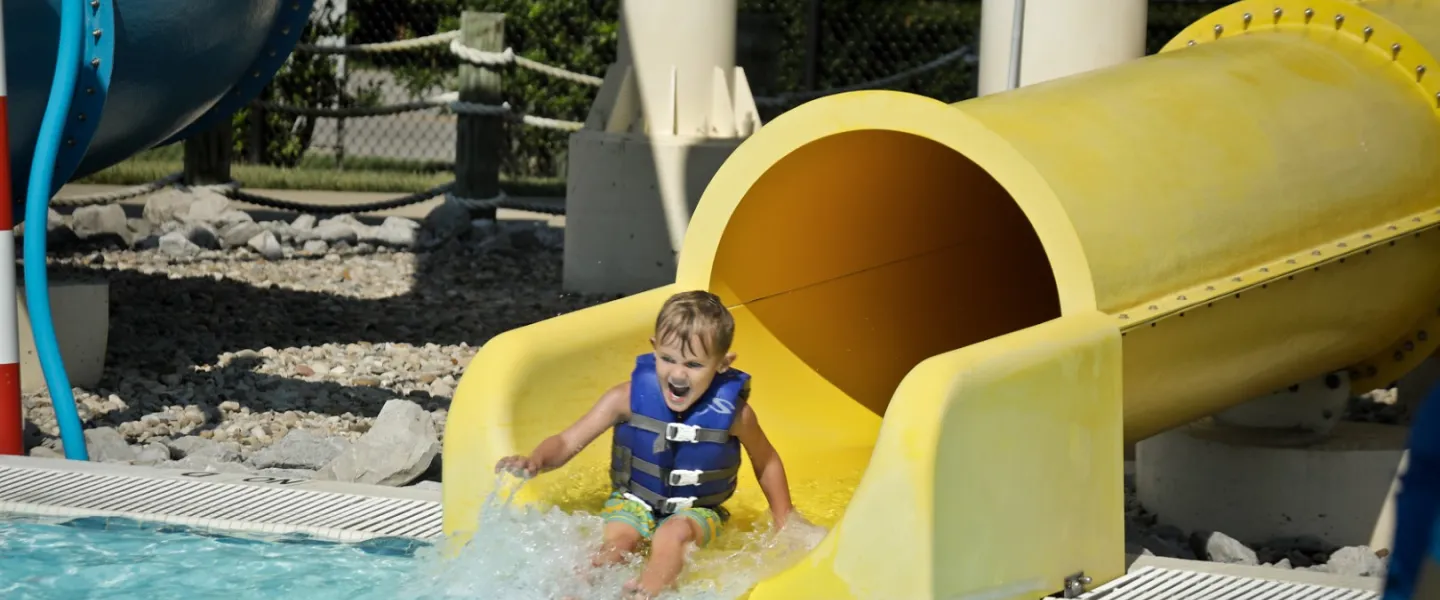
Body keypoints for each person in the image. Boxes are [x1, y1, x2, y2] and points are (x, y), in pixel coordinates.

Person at [495, 290, 795, 599]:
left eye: (693, 364)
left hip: (699, 511)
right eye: (668, 359)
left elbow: (766, 461)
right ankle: (575, 591)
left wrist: (786, 523)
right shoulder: (624, 398)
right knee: (620, 543)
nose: (678, 373)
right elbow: (567, 440)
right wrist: (536, 461)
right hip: (632, 501)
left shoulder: (734, 415)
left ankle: (648, 591)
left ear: (722, 364)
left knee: (673, 534)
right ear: (654, 349)